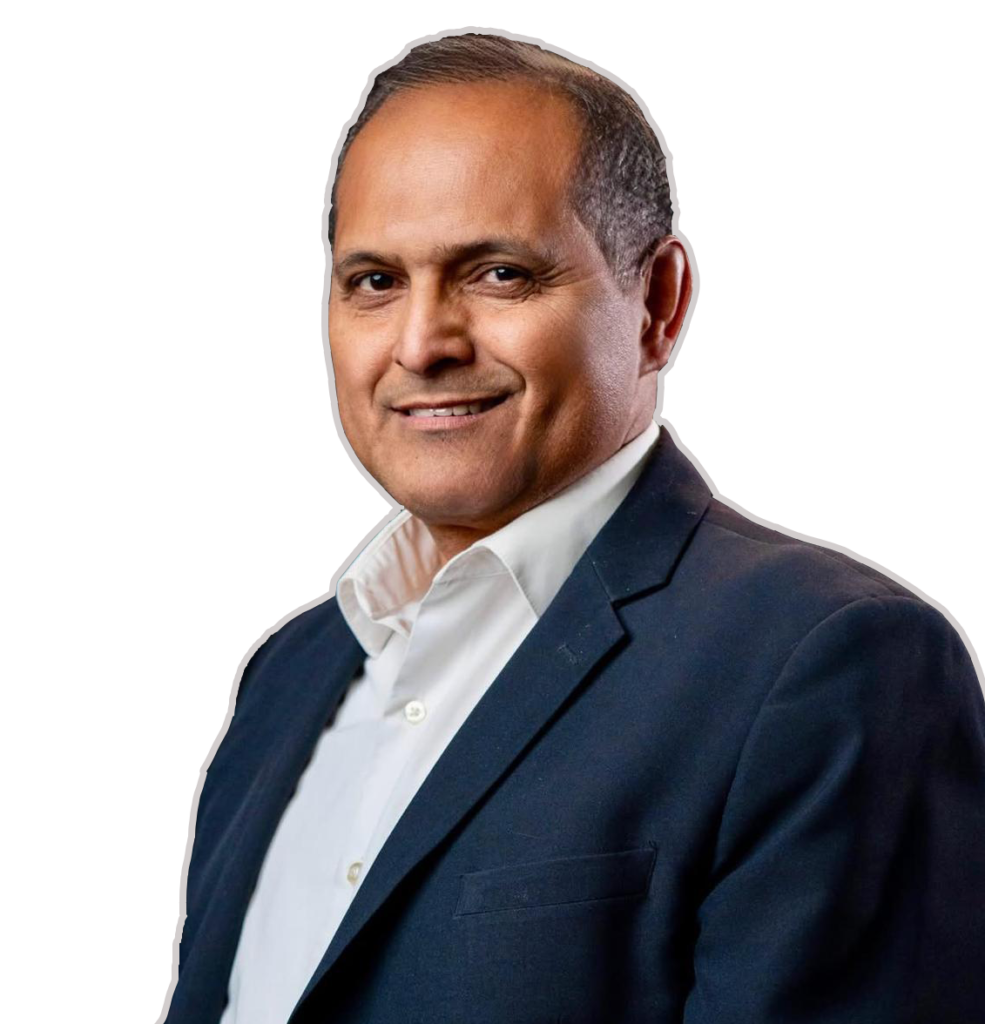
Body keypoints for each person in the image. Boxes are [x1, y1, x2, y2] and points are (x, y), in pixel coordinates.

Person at [164, 31, 985, 1024]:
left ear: (658, 304)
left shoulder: (831, 660)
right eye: (374, 281)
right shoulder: (288, 672)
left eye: (498, 273)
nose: (421, 344)